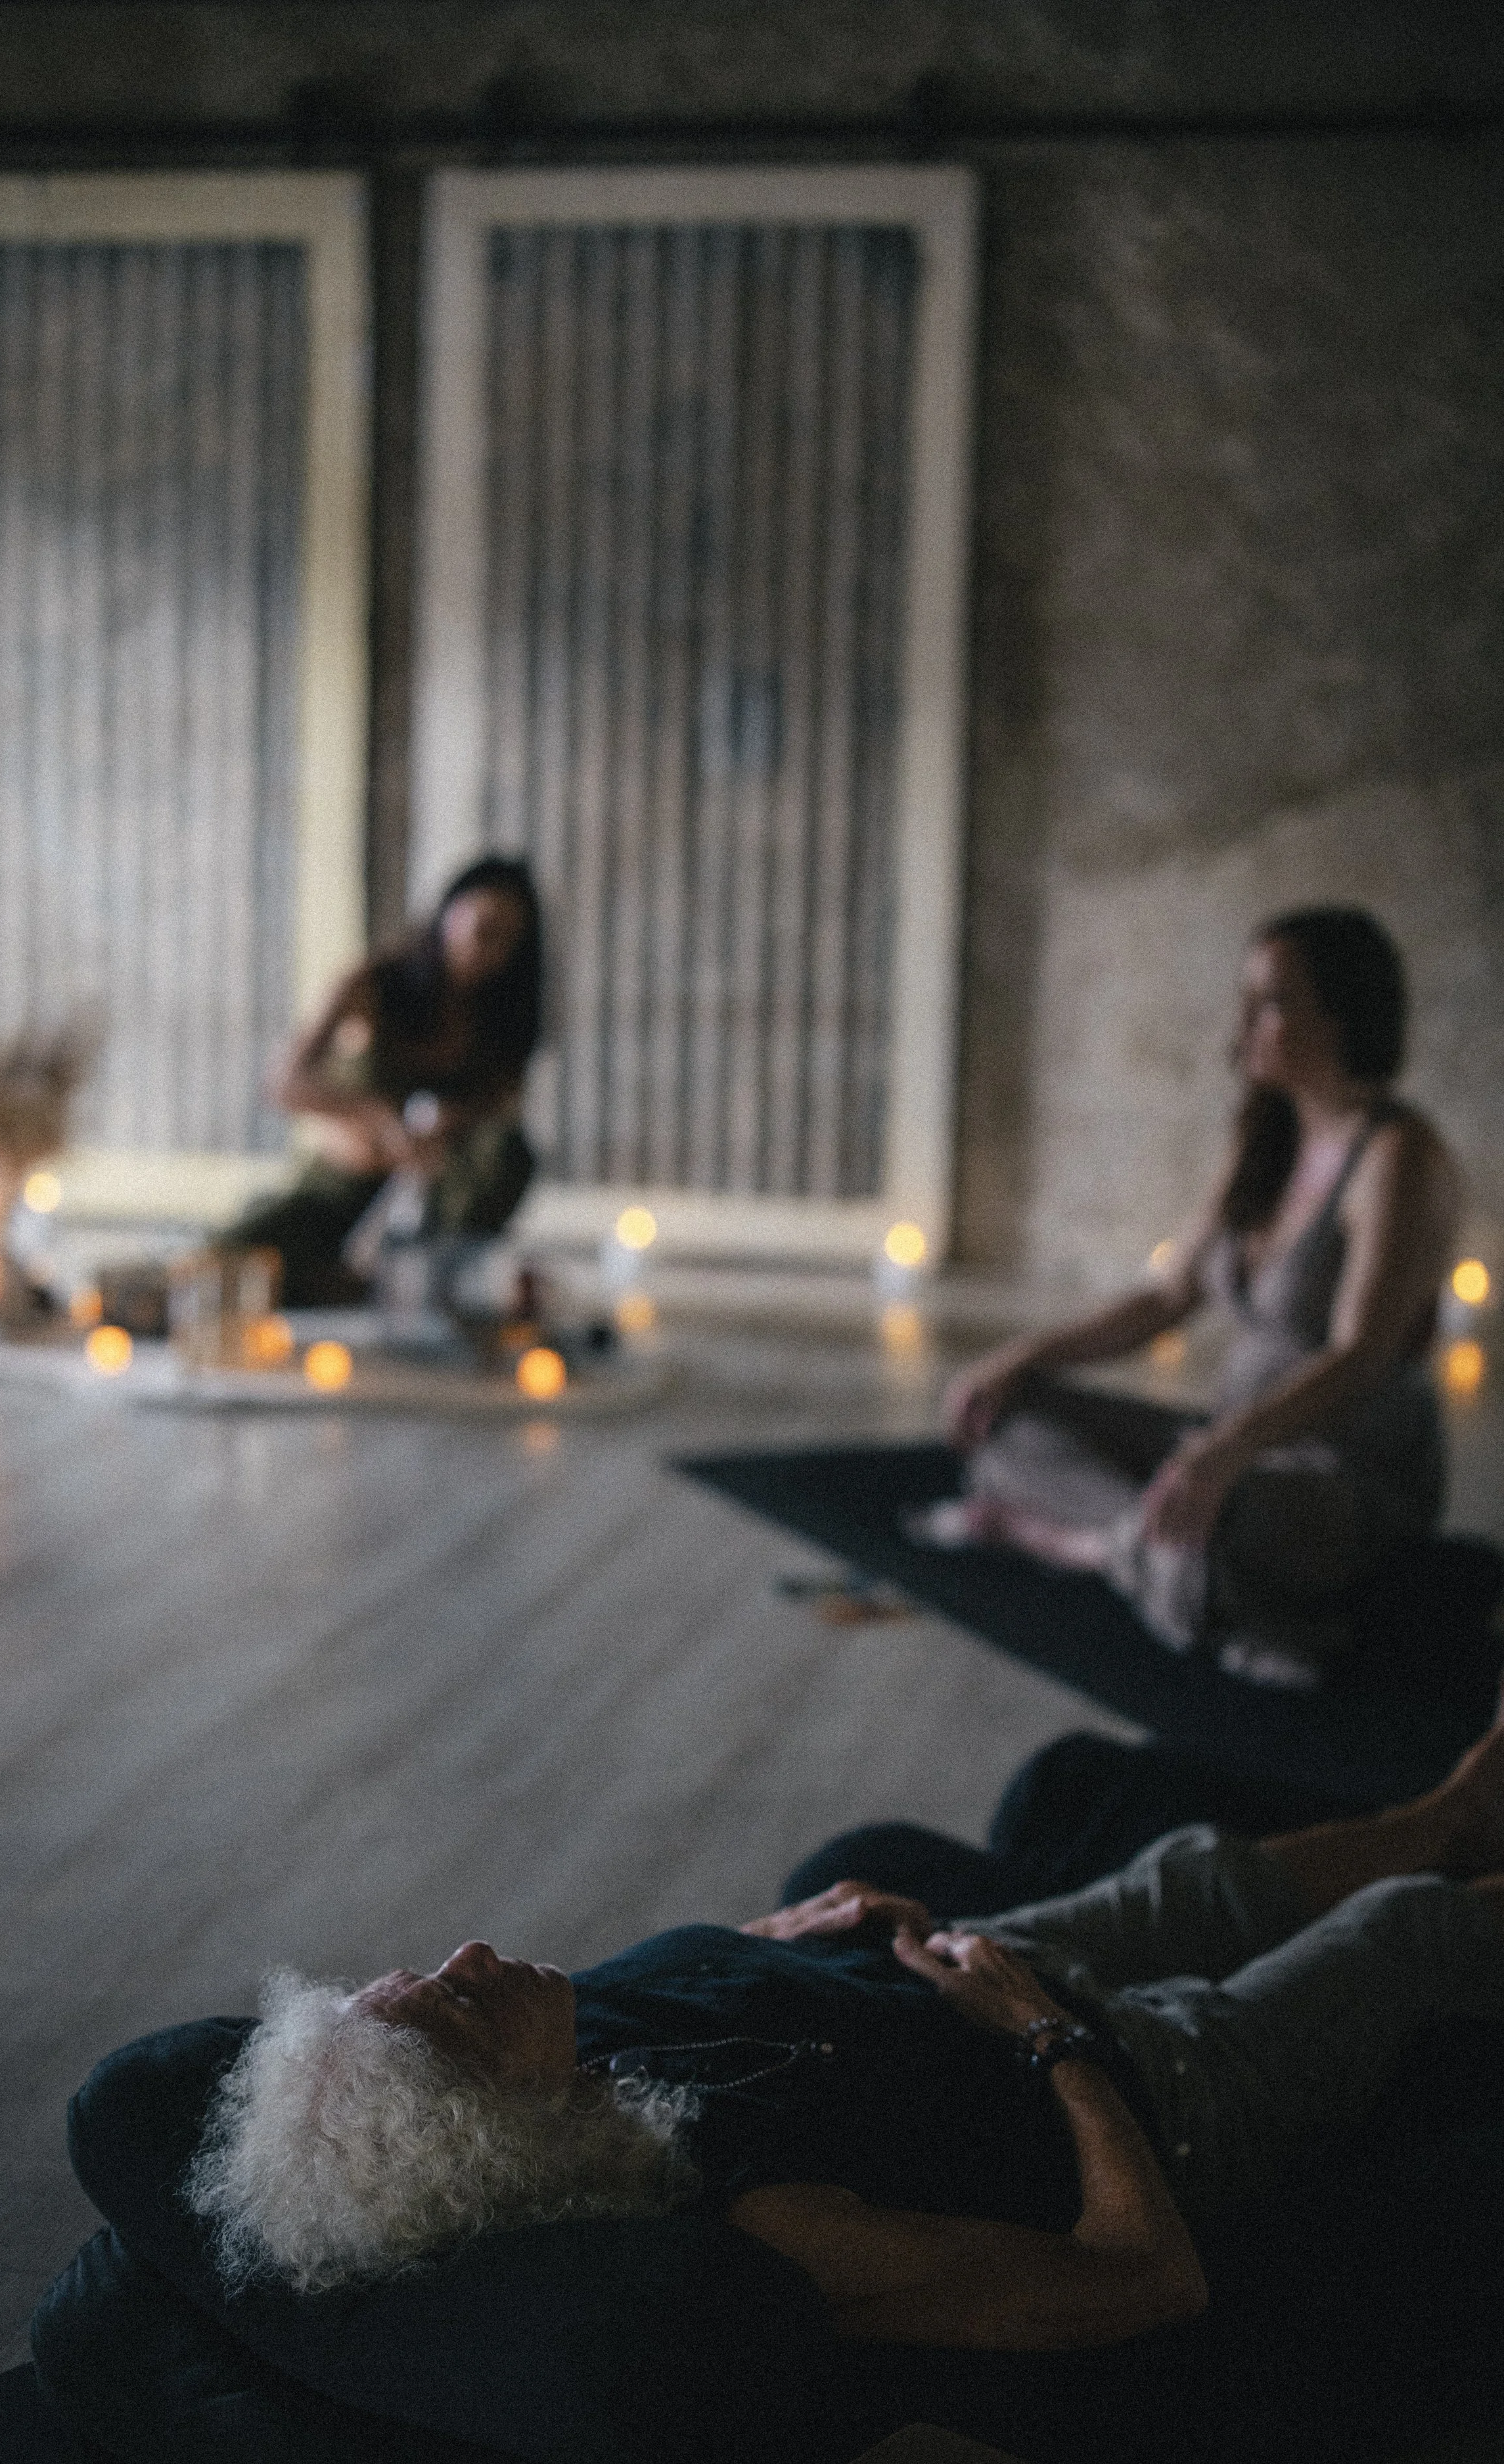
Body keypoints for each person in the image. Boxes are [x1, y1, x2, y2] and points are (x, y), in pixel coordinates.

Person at [183, 1714, 1504, 2353]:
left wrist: (787, 1932)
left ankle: (1457, 1807)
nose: (470, 1956)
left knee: (1195, 1874)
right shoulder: (765, 2233)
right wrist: (1048, 2039)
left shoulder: (564, 2064)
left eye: (418, 1972)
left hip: (946, 1976)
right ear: (497, 2126)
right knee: (1399, 1932)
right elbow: (1143, 2278)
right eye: (463, 2002)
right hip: (1138, 2086)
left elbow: (711, 2004)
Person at [922, 907, 1461, 1686]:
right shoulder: (1265, 1137)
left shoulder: (1397, 1157)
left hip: (1342, 1475)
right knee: (1008, 1420)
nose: (1241, 1024)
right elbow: (1165, 1295)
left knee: (1230, 1529)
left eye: (1270, 1003)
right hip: (1229, 1445)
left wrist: (1226, 1453)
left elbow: (1361, 1356)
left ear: (1343, 1016)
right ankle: (1150, 1556)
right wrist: (1019, 1356)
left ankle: (1071, 1543)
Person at [219, 857, 543, 1307]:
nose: (491, 951)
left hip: (437, 1200)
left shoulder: (499, 1020)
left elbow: (498, 1112)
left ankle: (421, 1285)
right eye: (485, 929)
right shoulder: (372, 984)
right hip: (346, 1182)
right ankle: (339, 1281)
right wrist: (376, 1118)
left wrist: (445, 1128)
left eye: (508, 942)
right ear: (450, 912)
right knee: (231, 1262)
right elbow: (283, 1082)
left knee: (507, 1153)